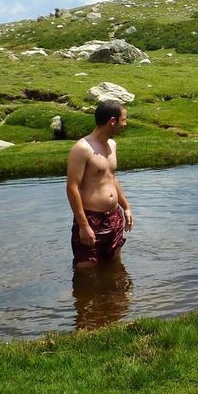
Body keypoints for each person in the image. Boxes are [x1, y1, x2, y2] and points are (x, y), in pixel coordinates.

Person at [66, 100, 134, 268]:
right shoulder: (82, 149)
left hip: (114, 217)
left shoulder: (112, 145)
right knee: (86, 273)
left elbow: (111, 177)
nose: (125, 124)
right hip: (91, 219)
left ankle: (117, 295)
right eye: (123, 120)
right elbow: (72, 188)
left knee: (115, 267)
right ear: (112, 121)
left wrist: (126, 207)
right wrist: (83, 225)